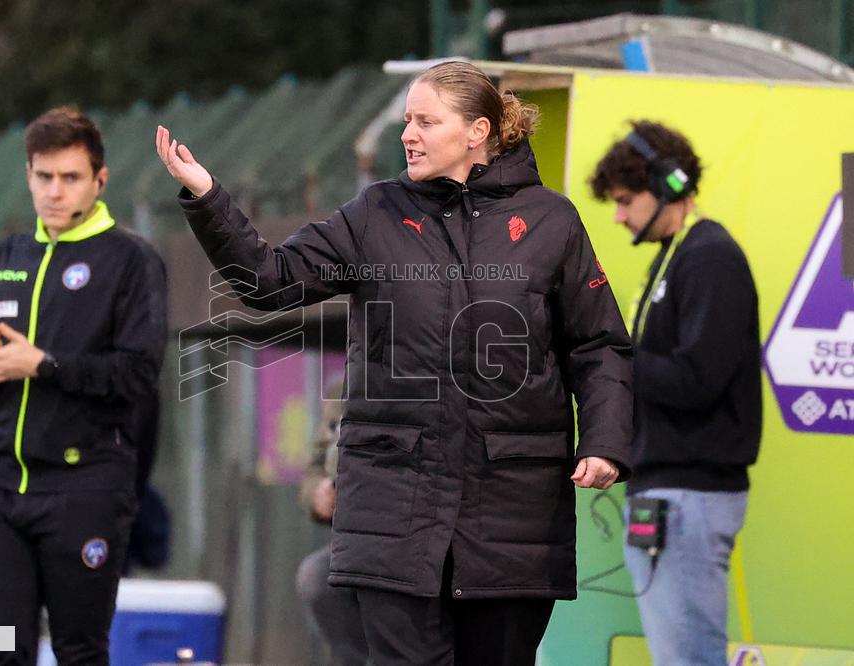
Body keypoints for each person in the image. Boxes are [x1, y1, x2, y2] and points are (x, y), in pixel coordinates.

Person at [157, 61, 633, 666]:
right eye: (406, 120)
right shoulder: (374, 213)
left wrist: (605, 442)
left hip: (514, 516)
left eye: (426, 121)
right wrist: (207, 197)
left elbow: (598, 345)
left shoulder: (551, 221)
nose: (407, 134)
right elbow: (269, 282)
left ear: (477, 130)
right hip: (394, 512)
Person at [0, 106, 168, 665]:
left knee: (78, 651)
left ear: (99, 181)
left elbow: (139, 374)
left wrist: (43, 365)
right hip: (1, 488)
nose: (54, 191)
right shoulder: (8, 255)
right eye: (43, 176)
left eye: (70, 178)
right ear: (28, 175)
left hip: (86, 488)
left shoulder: (131, 260)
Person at [590, 120, 761, 666]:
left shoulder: (710, 258)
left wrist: (613, 357)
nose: (618, 217)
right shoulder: (677, 256)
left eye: (624, 200)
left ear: (667, 183)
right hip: (669, 495)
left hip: (687, 499)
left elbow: (697, 380)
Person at [295, 386, 369, 666]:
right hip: (354, 541)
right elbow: (314, 469)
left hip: (412, 538)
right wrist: (318, 494)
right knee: (318, 576)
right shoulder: (346, 389)